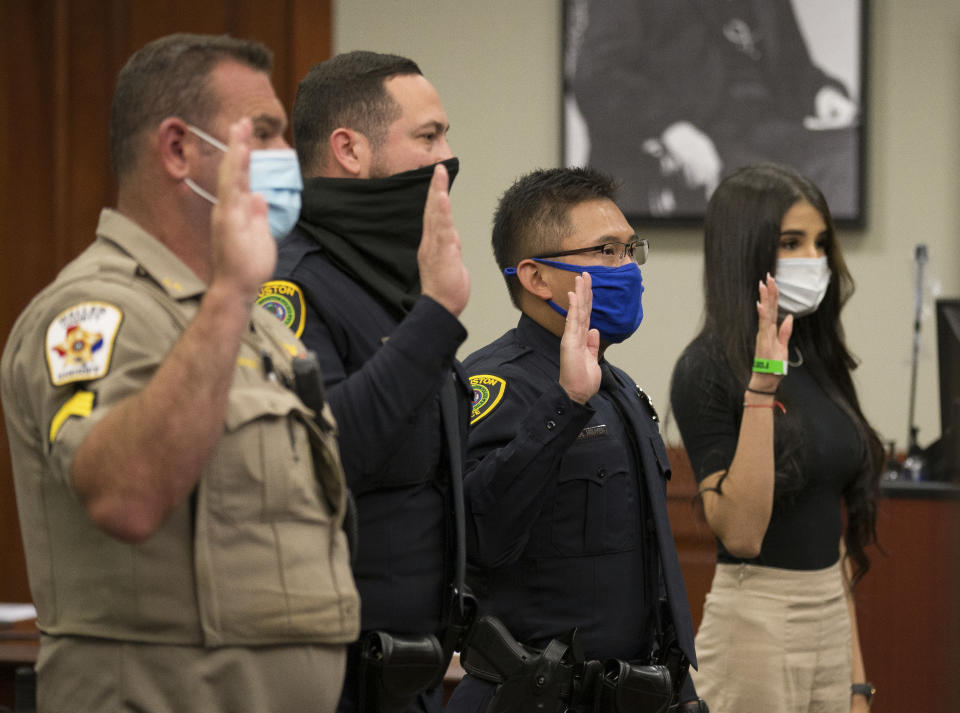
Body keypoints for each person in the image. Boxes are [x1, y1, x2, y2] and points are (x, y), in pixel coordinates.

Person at [0, 34, 359, 713]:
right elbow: (124, 496)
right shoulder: (94, 311)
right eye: (264, 132)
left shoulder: (261, 328)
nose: (288, 156)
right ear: (178, 149)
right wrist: (227, 296)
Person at [445, 167, 707, 713]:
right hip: (536, 696)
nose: (629, 267)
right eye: (607, 251)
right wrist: (564, 405)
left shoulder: (618, 387)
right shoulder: (494, 383)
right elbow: (482, 536)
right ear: (537, 278)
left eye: (631, 248)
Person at [262, 51, 471, 713]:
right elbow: (328, 450)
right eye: (427, 137)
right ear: (349, 150)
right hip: (332, 673)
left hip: (412, 667)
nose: (446, 159)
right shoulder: (288, 280)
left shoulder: (393, 278)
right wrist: (436, 316)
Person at [669, 163, 883, 713]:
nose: (813, 259)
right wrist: (761, 389)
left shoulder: (819, 356)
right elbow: (741, 533)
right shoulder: (707, 367)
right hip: (756, 620)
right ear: (749, 251)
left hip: (830, 617)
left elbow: (832, 533)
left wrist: (857, 682)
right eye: (792, 243)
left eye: (820, 243)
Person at [570, 0, 859, 219]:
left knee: (855, 158)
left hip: (774, 131)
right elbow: (599, 75)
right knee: (780, 198)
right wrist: (672, 129)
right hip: (700, 139)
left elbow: (797, 69)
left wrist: (823, 95)